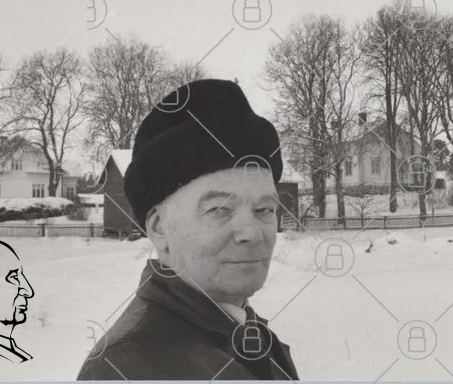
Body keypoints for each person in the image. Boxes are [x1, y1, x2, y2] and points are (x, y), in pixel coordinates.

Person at [76, 79, 299, 380]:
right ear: (159, 228)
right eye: (219, 210)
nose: (252, 233)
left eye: (265, 210)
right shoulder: (127, 368)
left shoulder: (246, 332)